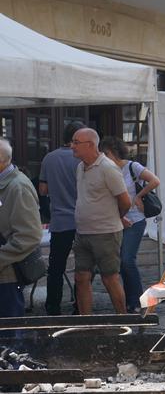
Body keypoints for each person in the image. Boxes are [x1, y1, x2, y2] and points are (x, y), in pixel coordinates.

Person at [71, 128, 130, 314]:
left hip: (106, 232)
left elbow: (125, 201)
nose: (72, 146)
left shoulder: (107, 168)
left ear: (90, 145)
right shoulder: (80, 167)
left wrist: (117, 217)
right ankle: (85, 322)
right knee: (81, 277)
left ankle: (122, 318)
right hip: (83, 232)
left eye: (75, 142)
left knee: (109, 277)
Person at [99, 137, 161, 313]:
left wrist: (139, 195)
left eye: (104, 154)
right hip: (116, 220)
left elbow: (155, 181)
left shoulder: (132, 167)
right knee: (121, 261)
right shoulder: (106, 170)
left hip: (135, 219)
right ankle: (130, 300)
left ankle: (137, 300)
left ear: (110, 152)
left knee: (127, 259)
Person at [39, 121, 85, 315]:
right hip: (83, 221)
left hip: (59, 221)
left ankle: (53, 307)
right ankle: (79, 306)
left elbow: (43, 189)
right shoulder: (83, 159)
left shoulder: (49, 158)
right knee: (83, 267)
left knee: (56, 268)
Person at [0, 138, 42, 319]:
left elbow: (29, 236)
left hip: (8, 275)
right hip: (5, 272)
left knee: (10, 335)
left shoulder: (18, 187)